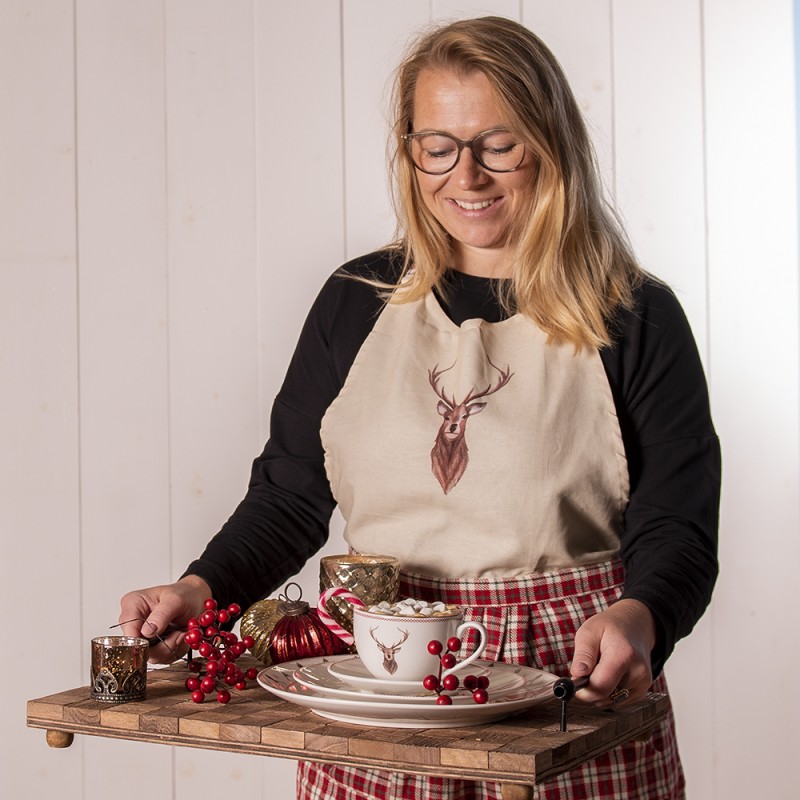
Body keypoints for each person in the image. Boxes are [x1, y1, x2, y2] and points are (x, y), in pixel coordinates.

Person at [120, 16, 719, 800]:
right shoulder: (354, 303)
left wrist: (641, 617)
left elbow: (678, 524)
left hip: (561, 683)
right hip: (374, 677)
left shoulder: (633, 315)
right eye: (438, 145)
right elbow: (291, 496)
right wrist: (202, 592)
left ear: (551, 141)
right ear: (409, 150)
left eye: (497, 145)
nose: (465, 177)